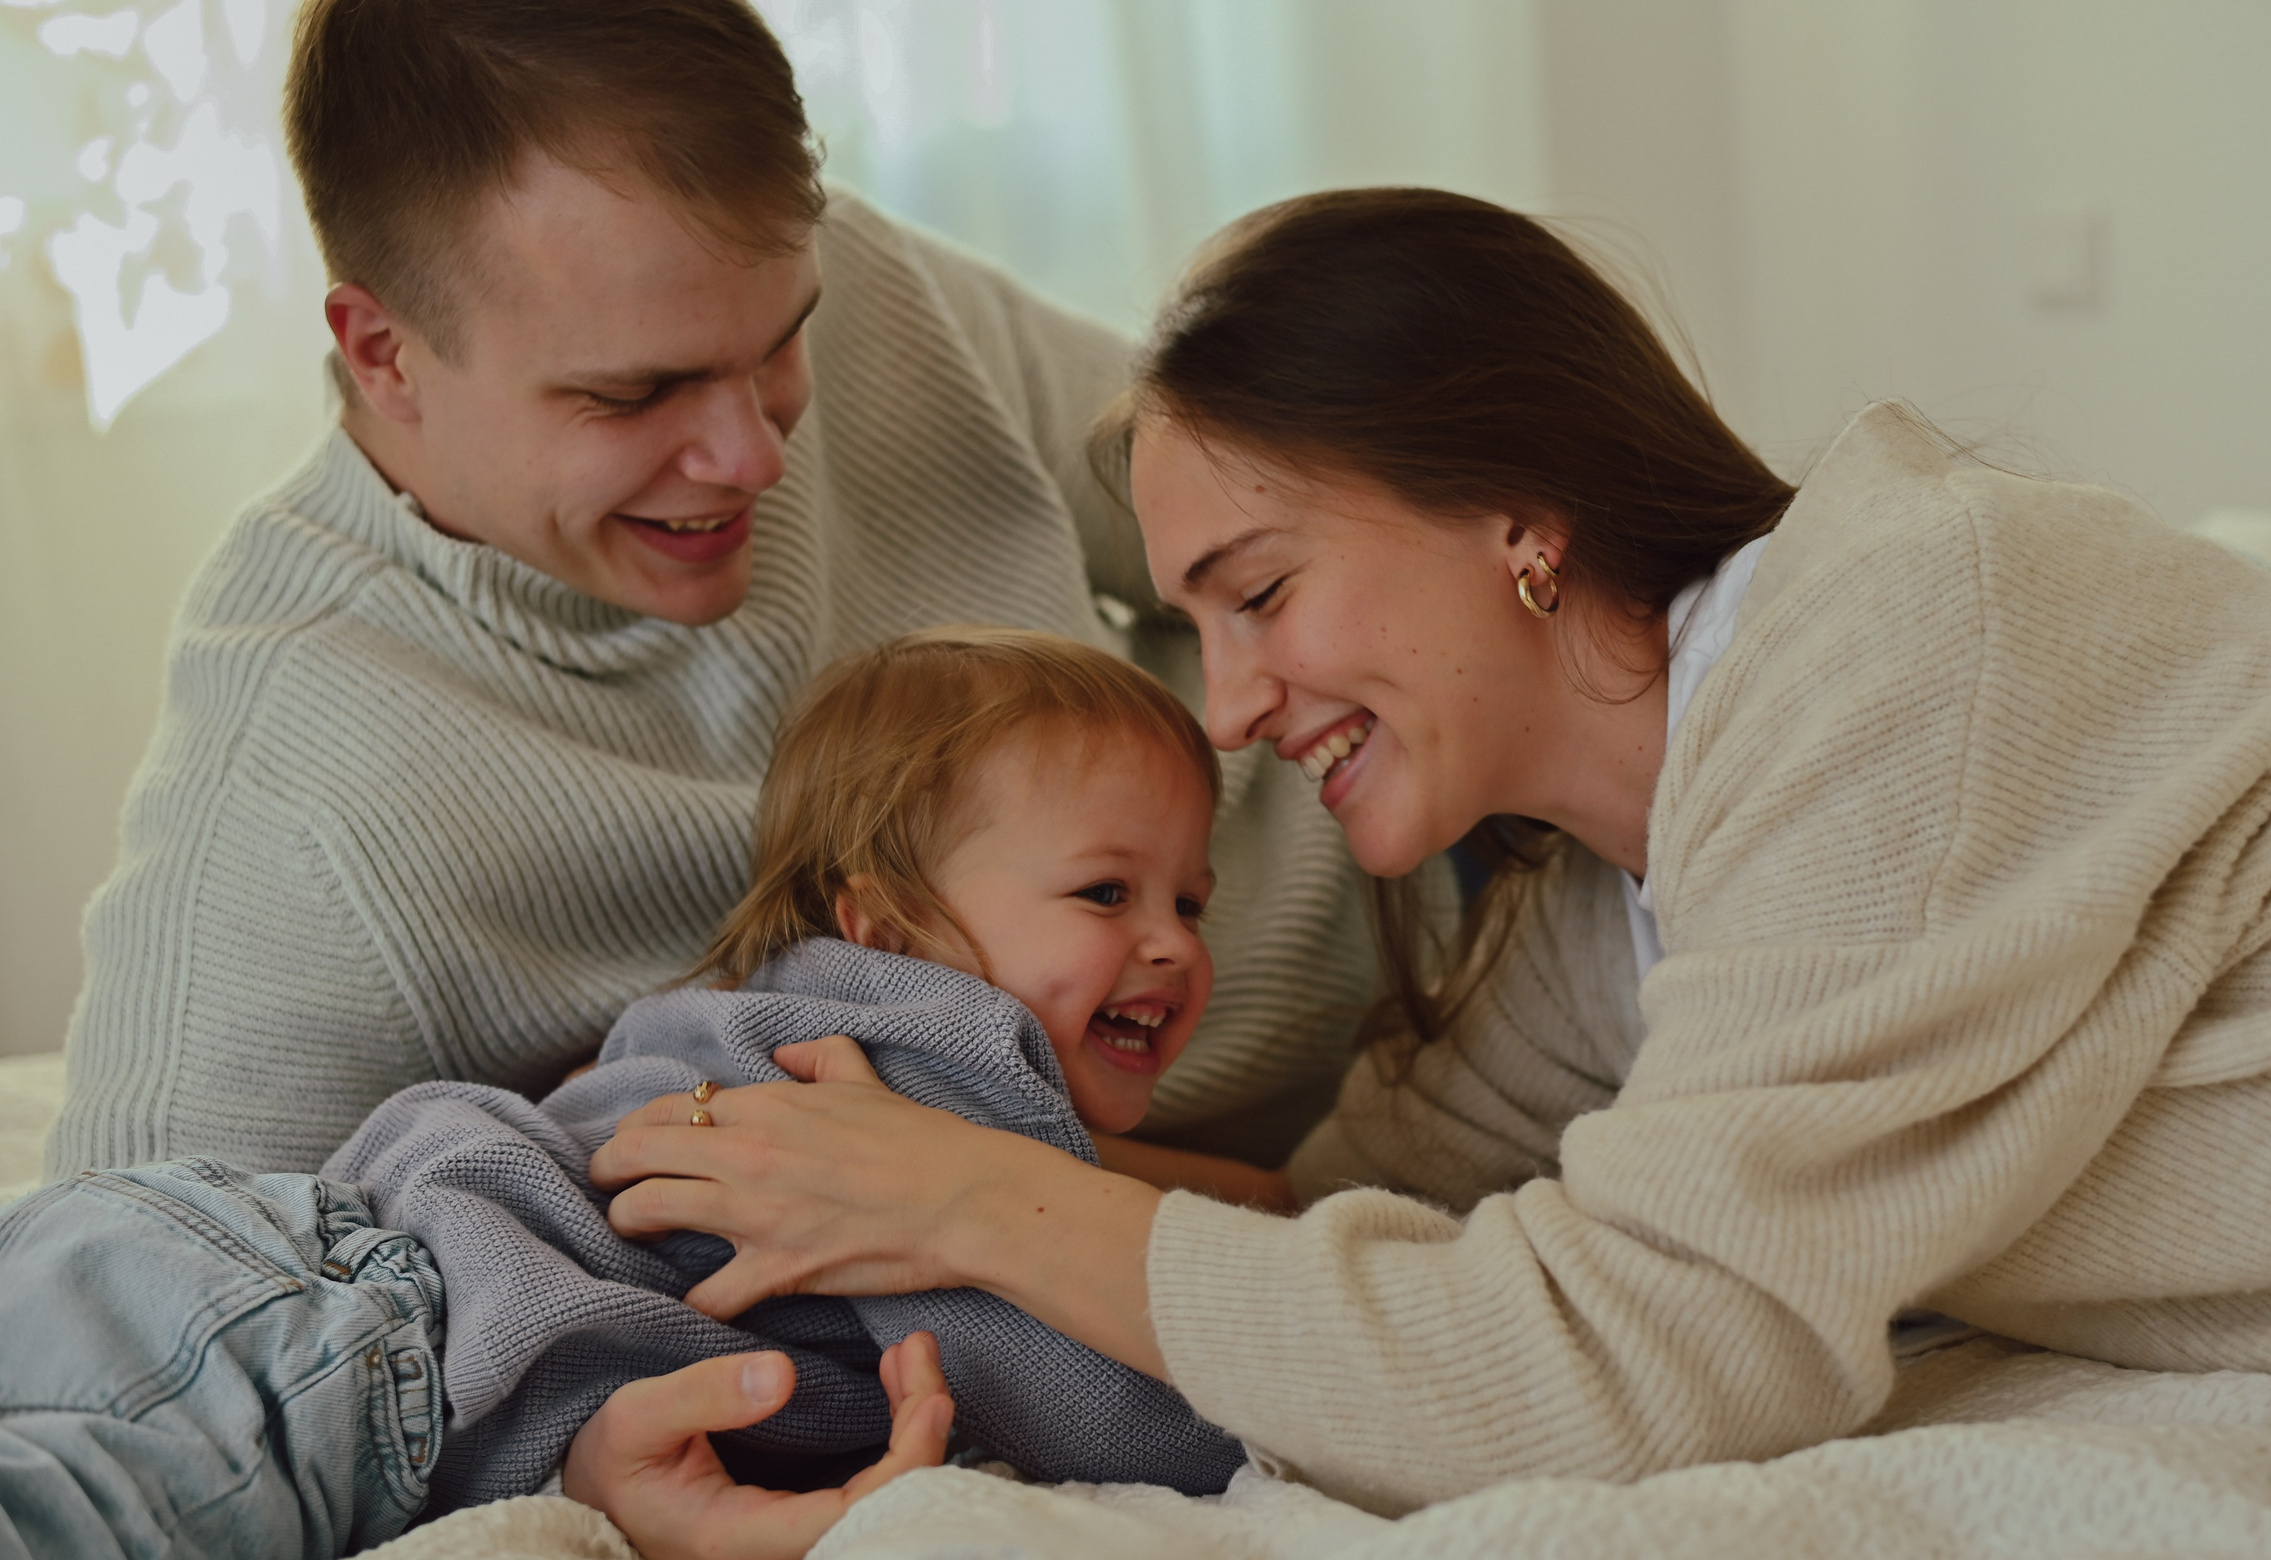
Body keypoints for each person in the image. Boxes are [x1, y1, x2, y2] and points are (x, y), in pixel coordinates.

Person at [580, 186, 2271, 1555]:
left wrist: (992, 1199)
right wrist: (871, 1153)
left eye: (1259, 593)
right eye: (1201, 627)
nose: (1241, 708)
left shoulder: (1892, 639)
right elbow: (1343, 1234)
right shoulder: (1592, 917)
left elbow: (1628, 1359)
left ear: (1513, 513)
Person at [47, 0, 1371, 1186]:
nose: (755, 453)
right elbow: (122, 1333)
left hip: (1437, 861)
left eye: (783, 339)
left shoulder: (839, 280)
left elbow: (1302, 517)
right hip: (1283, 1185)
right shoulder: (292, 817)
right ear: (383, 352)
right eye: (635, 393)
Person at [0, 627, 1257, 1560]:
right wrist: (1264, 1411)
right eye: (1106, 893)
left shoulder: (751, 1018)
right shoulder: (944, 1066)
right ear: (894, 926)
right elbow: (1095, 1398)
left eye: (1189, 902)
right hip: (351, 1338)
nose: (1169, 946)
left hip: (214, 1240)